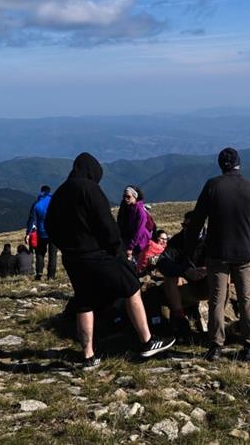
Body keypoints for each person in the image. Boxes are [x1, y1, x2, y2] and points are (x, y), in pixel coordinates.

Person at [44, 152, 175, 368]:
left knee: (84, 301)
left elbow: (50, 226)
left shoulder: (61, 192)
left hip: (73, 258)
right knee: (132, 287)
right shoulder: (90, 189)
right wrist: (117, 250)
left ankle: (88, 356)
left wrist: (67, 246)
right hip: (98, 255)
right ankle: (147, 342)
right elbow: (106, 224)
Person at [188, 147, 250, 362]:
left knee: (216, 299)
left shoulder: (213, 186)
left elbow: (197, 221)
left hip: (217, 252)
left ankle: (215, 346)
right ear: (239, 163)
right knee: (246, 299)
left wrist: (191, 247)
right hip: (244, 252)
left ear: (221, 164)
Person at [157, 211, 208, 340]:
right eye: (183, 225)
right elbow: (163, 262)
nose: (185, 229)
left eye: (188, 226)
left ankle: (215, 322)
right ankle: (180, 319)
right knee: (169, 277)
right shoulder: (178, 240)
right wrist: (184, 271)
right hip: (188, 284)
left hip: (209, 282)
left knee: (224, 278)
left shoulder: (212, 239)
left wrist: (208, 270)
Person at [26, 185, 56, 280]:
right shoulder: (54, 201)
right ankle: (51, 275)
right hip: (54, 232)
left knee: (40, 253)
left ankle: (39, 273)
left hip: (41, 232)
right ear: (50, 191)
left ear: (41, 191)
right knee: (53, 254)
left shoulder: (37, 204)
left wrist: (28, 233)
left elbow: (31, 220)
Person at [117, 186, 152, 263]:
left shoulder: (140, 211)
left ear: (135, 196)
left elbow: (139, 231)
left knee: (135, 262)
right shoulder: (128, 208)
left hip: (140, 242)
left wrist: (131, 247)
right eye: (124, 196)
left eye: (128, 197)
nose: (125, 198)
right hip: (133, 241)